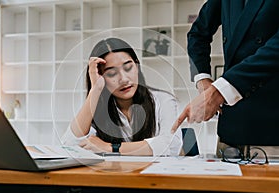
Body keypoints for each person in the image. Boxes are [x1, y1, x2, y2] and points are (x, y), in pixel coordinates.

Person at [171, 0, 279, 156]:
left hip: (271, 128)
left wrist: (218, 92)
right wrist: (203, 79)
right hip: (230, 129)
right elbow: (198, 33)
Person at [61, 37, 182, 156]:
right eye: (112, 73)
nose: (124, 79)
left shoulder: (164, 101)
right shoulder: (97, 108)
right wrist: (95, 89)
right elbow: (69, 146)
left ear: (137, 66)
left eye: (128, 68)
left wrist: (110, 148)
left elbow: (171, 146)